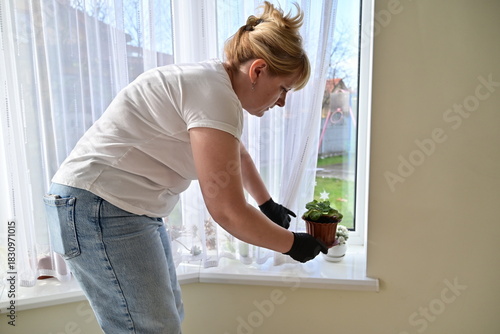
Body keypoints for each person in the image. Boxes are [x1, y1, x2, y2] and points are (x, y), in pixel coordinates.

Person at [43, 2, 327, 333]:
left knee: (165, 320)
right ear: (259, 70)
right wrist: (293, 244)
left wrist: (267, 205)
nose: (281, 102)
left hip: (115, 207)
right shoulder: (214, 93)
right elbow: (228, 212)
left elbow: (236, 154)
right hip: (99, 206)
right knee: (151, 328)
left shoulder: (214, 87)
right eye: (283, 89)